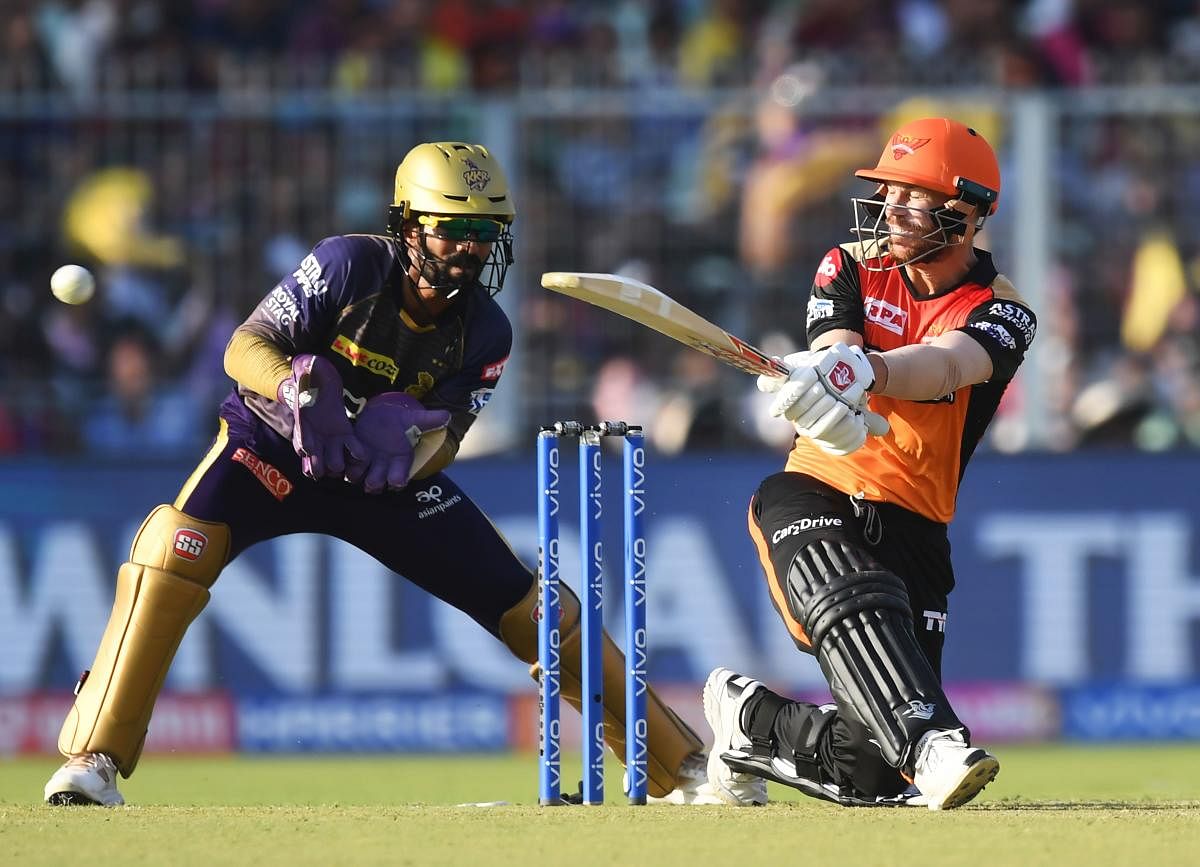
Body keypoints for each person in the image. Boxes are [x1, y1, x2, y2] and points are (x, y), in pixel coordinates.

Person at [44, 141, 723, 807]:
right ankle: (90, 758)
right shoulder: (348, 266)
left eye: (484, 232)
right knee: (173, 550)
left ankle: (677, 766)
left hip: (379, 479)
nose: (469, 247)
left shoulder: (486, 331)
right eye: (452, 228)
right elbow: (244, 346)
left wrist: (410, 450)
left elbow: (449, 436)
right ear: (407, 226)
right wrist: (294, 392)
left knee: (537, 608)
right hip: (274, 448)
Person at [703, 117, 1037, 810]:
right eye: (889, 190)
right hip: (815, 492)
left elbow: (949, 362)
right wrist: (823, 377)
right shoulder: (849, 264)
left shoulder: (1004, 310)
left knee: (875, 773)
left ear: (967, 212)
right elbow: (835, 349)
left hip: (916, 524)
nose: (892, 207)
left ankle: (748, 720)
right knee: (854, 600)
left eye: (913, 194)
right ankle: (932, 743)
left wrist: (867, 369)